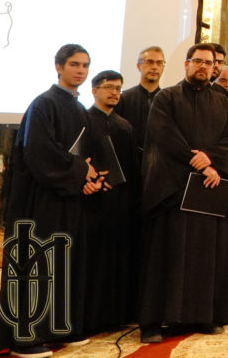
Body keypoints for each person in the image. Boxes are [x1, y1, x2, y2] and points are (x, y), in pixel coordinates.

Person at [0, 44, 101, 358]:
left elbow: (83, 155)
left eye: (85, 65)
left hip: (66, 200)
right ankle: (24, 338)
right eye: (74, 64)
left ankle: (54, 329)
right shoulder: (44, 104)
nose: (80, 70)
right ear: (58, 67)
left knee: (60, 264)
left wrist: (88, 178)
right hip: (40, 202)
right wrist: (82, 170)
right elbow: (40, 155)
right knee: (35, 265)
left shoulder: (78, 107)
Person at [138, 43, 228, 343]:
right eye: (198, 61)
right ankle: (153, 322)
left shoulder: (223, 103)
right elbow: (162, 134)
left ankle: (203, 316)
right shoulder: (166, 98)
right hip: (172, 189)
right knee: (165, 257)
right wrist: (194, 160)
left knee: (205, 256)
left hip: (207, 190)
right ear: (186, 64)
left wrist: (210, 161)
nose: (203, 67)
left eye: (209, 63)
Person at [84, 70, 141, 335]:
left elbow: (131, 168)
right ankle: (91, 317)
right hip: (92, 203)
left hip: (120, 203)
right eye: (109, 87)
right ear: (94, 90)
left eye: (118, 88)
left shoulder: (125, 126)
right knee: (93, 261)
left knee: (119, 260)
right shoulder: (83, 121)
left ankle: (116, 315)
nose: (115, 92)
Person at [115, 45, 166, 153]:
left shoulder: (168, 100)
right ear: (139, 66)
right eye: (150, 62)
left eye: (159, 63)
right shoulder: (124, 98)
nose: (155, 67)